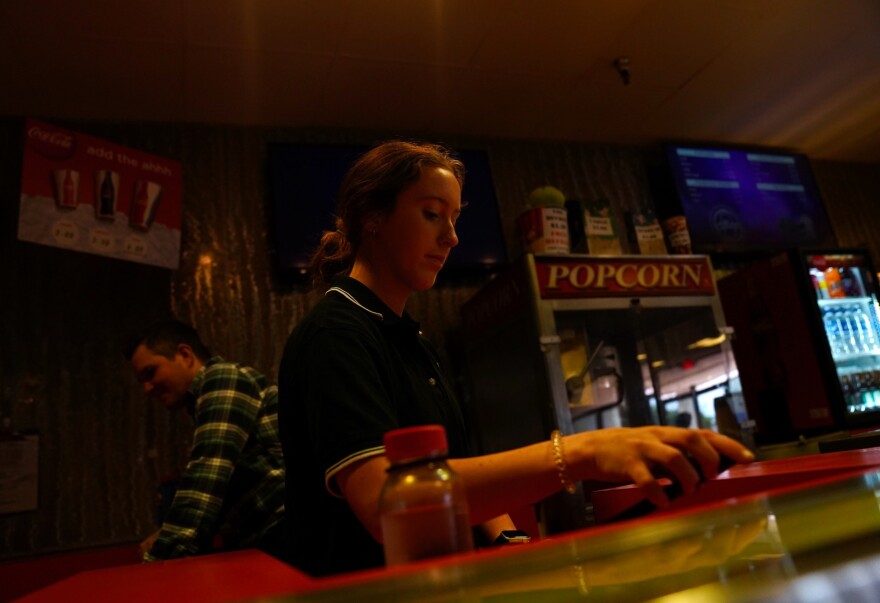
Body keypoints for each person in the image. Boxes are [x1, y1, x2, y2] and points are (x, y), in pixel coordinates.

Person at [277, 140, 754, 577]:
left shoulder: (409, 338)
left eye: (456, 220)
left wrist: (511, 539)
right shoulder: (336, 332)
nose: (452, 237)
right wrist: (581, 452)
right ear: (371, 218)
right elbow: (388, 504)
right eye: (431, 214)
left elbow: (456, 469)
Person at [124, 320, 285, 562]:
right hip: (274, 539)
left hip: (292, 532)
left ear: (185, 355)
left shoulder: (221, 377)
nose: (147, 388)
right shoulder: (205, 401)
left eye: (151, 373)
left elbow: (206, 475)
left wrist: (158, 560)